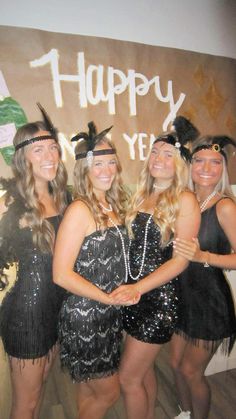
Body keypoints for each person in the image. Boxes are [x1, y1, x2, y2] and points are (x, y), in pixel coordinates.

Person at [110, 116, 201, 419]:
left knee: (128, 378)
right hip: (132, 294)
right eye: (155, 152)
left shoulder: (184, 199)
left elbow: (179, 261)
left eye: (168, 154)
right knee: (144, 372)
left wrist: (137, 288)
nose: (159, 159)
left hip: (157, 300)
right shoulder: (141, 193)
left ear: (179, 163)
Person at [53, 121, 137, 419]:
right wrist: (108, 298)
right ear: (83, 169)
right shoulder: (81, 209)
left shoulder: (112, 204)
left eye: (111, 163)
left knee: (90, 389)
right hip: (85, 316)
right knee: (109, 391)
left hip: (107, 313)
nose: (106, 170)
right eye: (97, 164)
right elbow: (61, 274)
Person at [0, 104, 69, 419]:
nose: (50, 156)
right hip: (26, 315)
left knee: (41, 387)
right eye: (39, 149)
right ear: (22, 158)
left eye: (53, 148)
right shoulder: (10, 201)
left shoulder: (63, 198)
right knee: (24, 405)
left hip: (56, 309)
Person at [170, 135, 236, 419]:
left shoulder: (224, 206)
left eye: (215, 162)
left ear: (223, 168)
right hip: (182, 296)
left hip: (210, 302)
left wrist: (204, 257)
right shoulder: (183, 199)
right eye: (199, 160)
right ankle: (184, 413)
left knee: (190, 370)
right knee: (174, 363)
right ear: (190, 164)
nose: (207, 168)